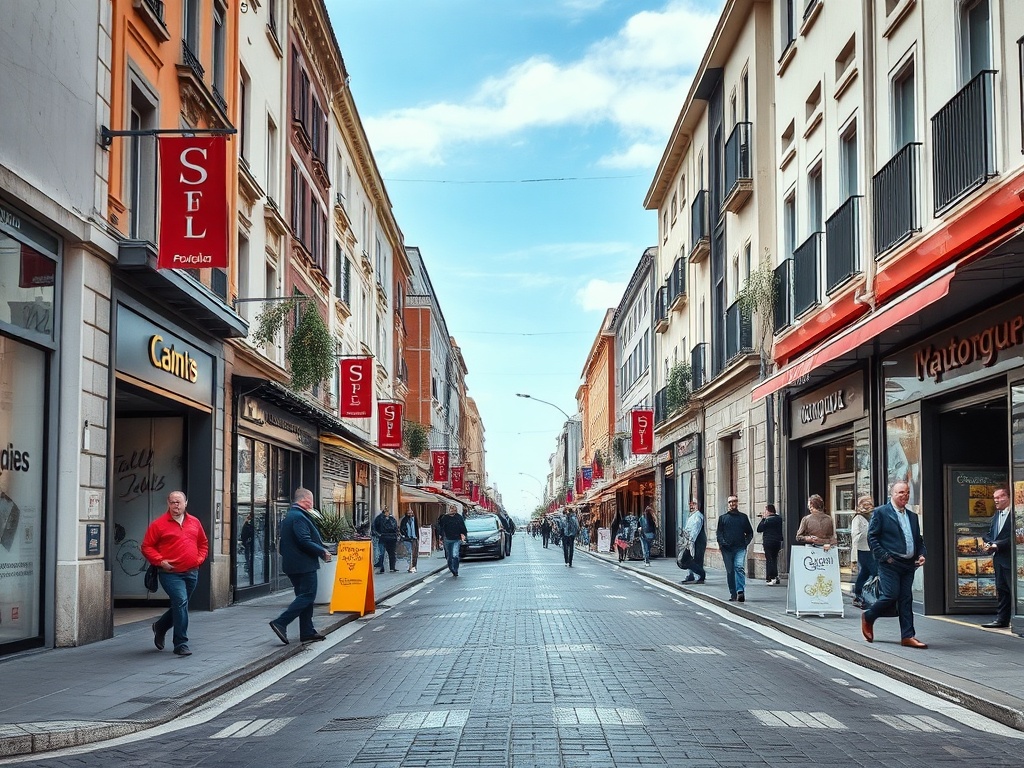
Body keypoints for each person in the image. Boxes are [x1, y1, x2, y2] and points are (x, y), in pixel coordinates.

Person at [861, 481, 927, 649]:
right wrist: (884, 556)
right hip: (889, 563)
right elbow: (872, 537)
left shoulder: (912, 516)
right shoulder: (881, 513)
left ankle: (908, 636)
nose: (905, 495)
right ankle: (869, 616)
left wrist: (921, 554)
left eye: (907, 492)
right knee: (891, 595)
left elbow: (918, 539)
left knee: (906, 599)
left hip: (909, 564)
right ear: (892, 494)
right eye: (901, 492)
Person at [142, 490, 209, 657]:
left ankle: (160, 627)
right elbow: (147, 546)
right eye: (172, 502)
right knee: (180, 601)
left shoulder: (194, 522)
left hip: (192, 572)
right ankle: (181, 643)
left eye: (179, 502)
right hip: (170, 573)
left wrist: (198, 560)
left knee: (181, 605)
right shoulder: (158, 524)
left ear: (186, 503)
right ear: (168, 504)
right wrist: (160, 561)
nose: (176, 505)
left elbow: (203, 543)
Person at [269, 487, 332, 645]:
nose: (312, 504)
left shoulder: (292, 516)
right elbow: (303, 540)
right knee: (308, 596)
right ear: (305, 500)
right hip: (303, 564)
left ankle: (307, 631)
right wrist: (322, 551)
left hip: (295, 564)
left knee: (304, 597)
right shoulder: (298, 517)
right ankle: (281, 622)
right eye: (311, 500)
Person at [981, 487, 1013, 629]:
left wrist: (996, 545)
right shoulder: (996, 515)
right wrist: (987, 543)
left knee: (1015, 590)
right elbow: (990, 533)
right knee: (1002, 589)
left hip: (1012, 559)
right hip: (999, 559)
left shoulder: (1017, 514)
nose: (996, 500)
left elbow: (1015, 537)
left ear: (1008, 497)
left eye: (999, 497)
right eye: (995, 498)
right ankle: (1002, 619)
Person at [716, 495, 753, 602]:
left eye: (735, 501)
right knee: (730, 571)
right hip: (727, 550)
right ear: (728, 504)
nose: (733, 503)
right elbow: (719, 533)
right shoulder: (723, 518)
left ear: (737, 503)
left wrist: (745, 543)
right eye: (730, 502)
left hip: (740, 548)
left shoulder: (743, 517)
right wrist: (722, 544)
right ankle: (733, 593)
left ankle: (740, 591)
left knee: (739, 567)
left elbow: (750, 532)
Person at [850, 495, 876, 609]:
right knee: (875, 572)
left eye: (869, 503)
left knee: (865, 572)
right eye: (864, 503)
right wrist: (853, 558)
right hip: (863, 549)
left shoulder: (874, 515)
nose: (868, 505)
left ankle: (860, 595)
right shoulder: (858, 518)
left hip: (874, 549)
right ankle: (866, 595)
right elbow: (855, 537)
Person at [436, 506, 468, 577]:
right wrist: (441, 537)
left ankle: (455, 570)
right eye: (451, 509)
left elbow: (462, 526)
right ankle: (451, 568)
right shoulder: (445, 518)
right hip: (447, 539)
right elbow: (441, 528)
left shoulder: (458, 517)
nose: (452, 511)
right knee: (449, 556)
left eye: (454, 509)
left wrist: (463, 534)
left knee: (455, 555)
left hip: (456, 539)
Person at [681, 500, 706, 584]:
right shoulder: (692, 515)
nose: (691, 506)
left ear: (697, 505)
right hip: (691, 540)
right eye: (690, 504)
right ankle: (691, 575)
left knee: (696, 558)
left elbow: (696, 529)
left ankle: (701, 576)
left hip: (697, 540)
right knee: (689, 557)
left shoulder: (698, 516)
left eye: (694, 504)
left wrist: (691, 541)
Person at [757, 504, 783, 585]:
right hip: (777, 542)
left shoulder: (767, 520)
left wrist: (763, 519)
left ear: (768, 511)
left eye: (765, 511)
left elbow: (759, 529)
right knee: (774, 559)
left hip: (768, 542)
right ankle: (776, 576)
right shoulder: (779, 518)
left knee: (769, 559)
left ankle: (770, 577)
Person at [372, 506, 399, 574]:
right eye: (386, 511)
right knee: (384, 553)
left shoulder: (382, 518)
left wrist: (378, 534)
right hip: (388, 538)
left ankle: (386, 567)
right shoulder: (390, 519)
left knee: (384, 553)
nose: (387, 512)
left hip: (386, 538)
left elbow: (374, 527)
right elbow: (395, 528)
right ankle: (387, 567)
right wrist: (378, 534)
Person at [401, 508, 420, 574]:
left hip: (414, 538)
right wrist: (404, 534)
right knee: (409, 553)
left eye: (411, 513)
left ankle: (414, 566)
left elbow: (417, 528)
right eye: (409, 513)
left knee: (415, 554)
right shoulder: (404, 520)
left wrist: (417, 536)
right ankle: (410, 566)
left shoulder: (414, 520)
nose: (410, 514)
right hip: (407, 539)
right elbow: (402, 528)